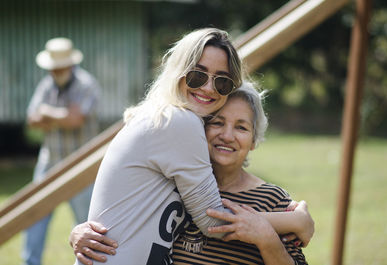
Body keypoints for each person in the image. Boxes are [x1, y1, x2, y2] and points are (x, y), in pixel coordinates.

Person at [69, 82, 314, 265]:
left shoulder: (274, 200)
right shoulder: (172, 189)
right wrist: (82, 233)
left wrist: (266, 238)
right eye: (217, 122)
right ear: (199, 131)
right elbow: (129, 217)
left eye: (241, 127)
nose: (227, 135)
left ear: (253, 140)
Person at [72, 28, 243, 265]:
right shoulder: (179, 122)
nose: (209, 88)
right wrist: (291, 221)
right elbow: (214, 224)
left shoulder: (164, 118)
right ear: (178, 73)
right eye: (197, 75)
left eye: (222, 82)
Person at [24, 37, 101, 265]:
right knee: (33, 218)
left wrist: (48, 113)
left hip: (81, 166)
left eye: (58, 67)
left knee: (88, 225)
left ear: (69, 65)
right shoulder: (47, 84)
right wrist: (60, 115)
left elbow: (75, 120)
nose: (55, 71)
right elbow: (32, 119)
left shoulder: (87, 84)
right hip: (49, 162)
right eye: (52, 68)